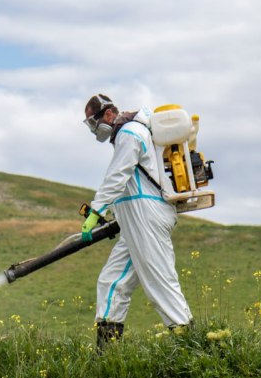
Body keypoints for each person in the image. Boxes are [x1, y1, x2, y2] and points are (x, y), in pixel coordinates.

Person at [80, 94, 193, 350]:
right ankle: (107, 355)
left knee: (160, 283)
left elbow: (118, 176)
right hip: (135, 219)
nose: (94, 129)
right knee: (112, 282)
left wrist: (96, 212)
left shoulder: (130, 133)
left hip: (146, 217)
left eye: (93, 122)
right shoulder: (128, 134)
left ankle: (192, 348)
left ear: (108, 115)